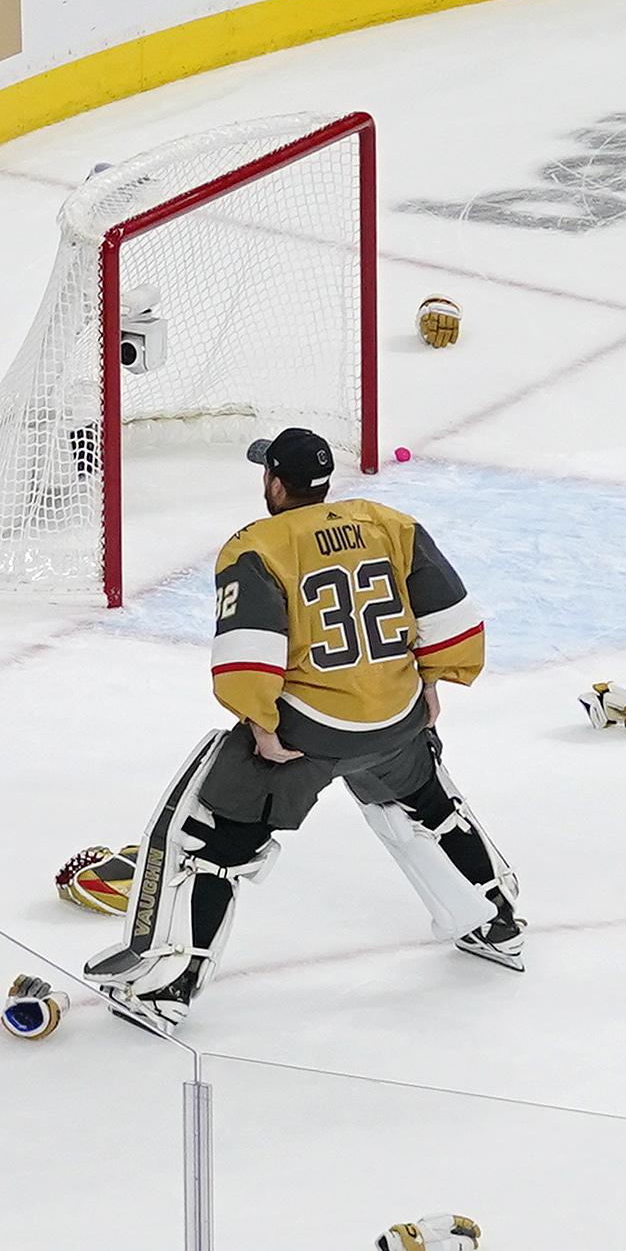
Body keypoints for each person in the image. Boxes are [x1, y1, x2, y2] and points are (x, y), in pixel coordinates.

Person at [92, 421, 522, 1021]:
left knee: (205, 837)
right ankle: (495, 921)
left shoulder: (257, 546)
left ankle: (166, 984)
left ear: (274, 484)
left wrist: (263, 729)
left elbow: (247, 655)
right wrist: (429, 685)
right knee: (425, 805)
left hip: (306, 735)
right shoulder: (386, 522)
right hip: (396, 717)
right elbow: (452, 615)